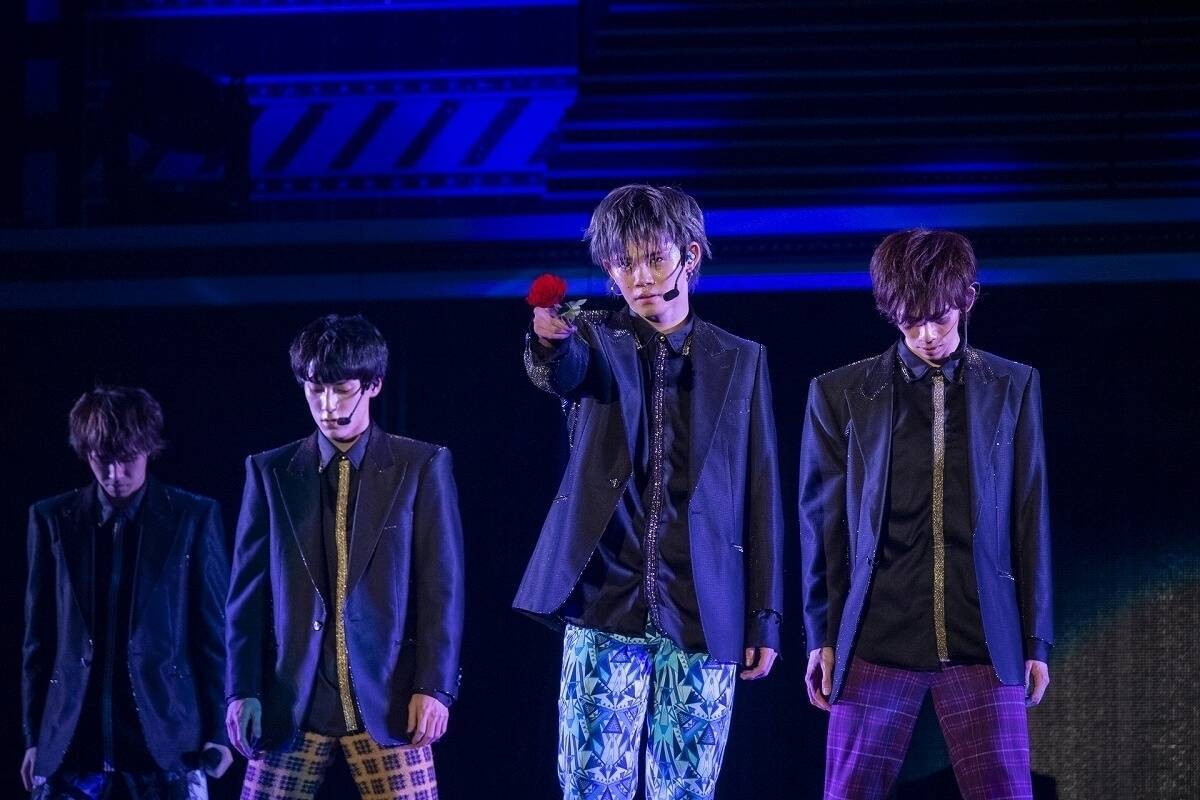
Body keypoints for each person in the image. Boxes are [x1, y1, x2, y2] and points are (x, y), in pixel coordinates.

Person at [515, 184, 785, 799]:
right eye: (622, 263)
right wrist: (549, 341)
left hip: (704, 608)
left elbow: (761, 494)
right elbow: (559, 371)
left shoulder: (739, 358)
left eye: (654, 259)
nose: (639, 277)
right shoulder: (592, 339)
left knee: (687, 788)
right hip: (605, 599)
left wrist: (763, 618)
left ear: (689, 256)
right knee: (590, 784)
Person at [799, 228, 1053, 799]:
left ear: (968, 298)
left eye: (938, 317)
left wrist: (1037, 639)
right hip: (876, 633)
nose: (927, 335)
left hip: (983, 635)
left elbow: (1029, 516)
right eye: (910, 322)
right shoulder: (841, 393)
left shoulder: (1012, 385)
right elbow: (823, 528)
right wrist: (822, 636)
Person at [224, 313, 465, 800]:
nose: (328, 406)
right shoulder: (270, 471)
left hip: (389, 697)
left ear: (373, 385)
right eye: (315, 390)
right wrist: (240, 689)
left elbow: (442, 588)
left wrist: (435, 686)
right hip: (292, 698)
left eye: (342, 389)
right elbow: (245, 596)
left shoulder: (420, 465)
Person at [22, 385, 232, 799]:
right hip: (72, 744)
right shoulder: (52, 518)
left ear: (149, 449)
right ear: (86, 453)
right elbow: (38, 640)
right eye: (102, 460)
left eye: (127, 459)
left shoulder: (192, 516)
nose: (115, 474)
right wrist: (34, 738)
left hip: (168, 744)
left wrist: (217, 731)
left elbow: (214, 636)